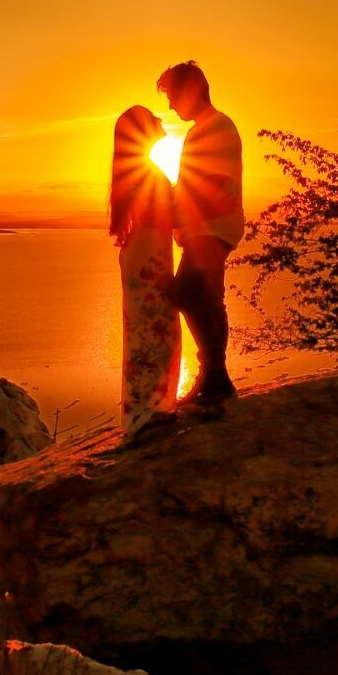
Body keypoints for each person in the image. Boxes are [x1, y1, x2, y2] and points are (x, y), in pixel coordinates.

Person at [157, 59, 241, 412]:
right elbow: (192, 184)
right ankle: (214, 376)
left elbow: (215, 185)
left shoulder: (217, 127)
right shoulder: (204, 129)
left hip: (211, 226)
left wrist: (174, 212)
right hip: (205, 226)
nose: (172, 106)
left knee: (190, 292)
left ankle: (215, 375)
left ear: (191, 92)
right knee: (202, 296)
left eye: (173, 96)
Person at [109, 105, 181, 442]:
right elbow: (160, 218)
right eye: (152, 118)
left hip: (144, 257)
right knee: (154, 332)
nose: (159, 120)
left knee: (145, 333)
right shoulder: (146, 173)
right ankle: (147, 412)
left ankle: (144, 410)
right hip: (149, 259)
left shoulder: (137, 171)